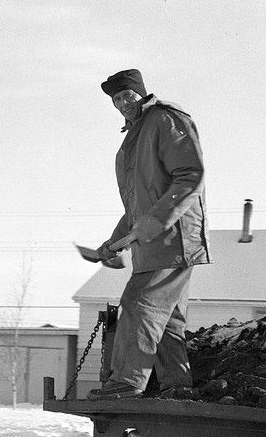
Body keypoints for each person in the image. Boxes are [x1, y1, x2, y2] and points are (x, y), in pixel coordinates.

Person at [88, 68, 210, 400]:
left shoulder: (164, 120)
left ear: (141, 94)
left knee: (140, 303)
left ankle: (126, 384)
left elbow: (190, 174)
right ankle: (177, 386)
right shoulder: (132, 138)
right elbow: (137, 206)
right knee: (167, 321)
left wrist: (159, 220)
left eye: (127, 95)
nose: (123, 103)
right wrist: (112, 244)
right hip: (152, 244)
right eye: (117, 99)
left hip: (173, 239)